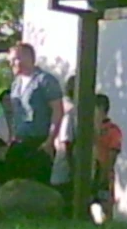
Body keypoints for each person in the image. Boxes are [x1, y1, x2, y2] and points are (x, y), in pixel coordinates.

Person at [0, 43, 63, 185]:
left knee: (36, 185)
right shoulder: (16, 84)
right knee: (11, 182)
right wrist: (11, 137)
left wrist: (50, 141)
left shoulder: (45, 80)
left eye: (15, 59)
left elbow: (57, 110)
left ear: (27, 58)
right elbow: (13, 112)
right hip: (19, 141)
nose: (11, 63)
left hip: (39, 141)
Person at [90, 93, 122, 225]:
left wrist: (104, 175)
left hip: (103, 174)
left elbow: (112, 155)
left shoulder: (112, 130)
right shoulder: (88, 129)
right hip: (91, 173)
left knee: (103, 210)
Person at [51, 76, 78, 216]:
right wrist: (74, 169)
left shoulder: (79, 112)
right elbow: (66, 143)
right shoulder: (71, 113)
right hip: (65, 173)